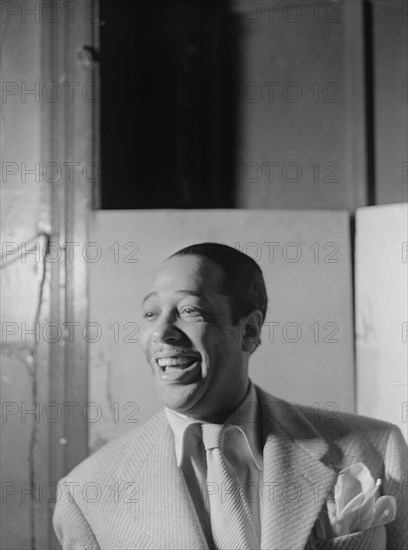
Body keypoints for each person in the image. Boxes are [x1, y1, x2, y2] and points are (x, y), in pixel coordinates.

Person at [53, 242, 407, 550]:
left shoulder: (377, 447)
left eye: (190, 310)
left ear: (249, 331)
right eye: (150, 313)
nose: (161, 333)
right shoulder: (86, 493)